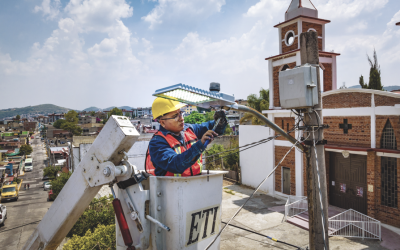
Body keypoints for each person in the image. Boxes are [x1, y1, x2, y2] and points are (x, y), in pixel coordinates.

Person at [146, 98, 227, 177]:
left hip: (196, 184)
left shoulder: (189, 129)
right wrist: (200, 145)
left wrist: (220, 121)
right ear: (162, 122)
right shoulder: (157, 143)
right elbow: (175, 164)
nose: (182, 118)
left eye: (181, 113)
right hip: (172, 189)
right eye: (175, 116)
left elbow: (212, 128)